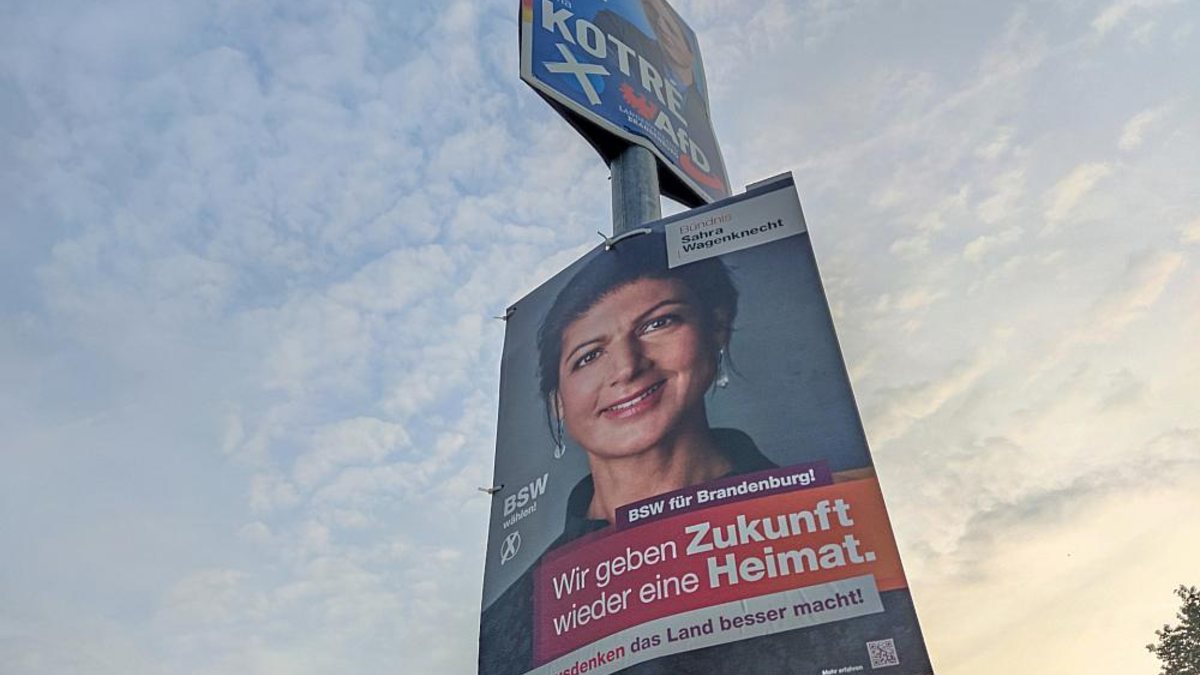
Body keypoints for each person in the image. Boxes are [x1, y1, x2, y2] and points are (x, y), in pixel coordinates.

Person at [535, 230, 773, 542]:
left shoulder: (814, 515)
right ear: (557, 402)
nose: (627, 368)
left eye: (657, 324)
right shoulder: (543, 576)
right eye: (589, 356)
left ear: (717, 327)